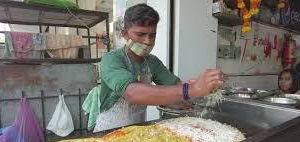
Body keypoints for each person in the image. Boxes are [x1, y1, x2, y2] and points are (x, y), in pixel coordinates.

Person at [93, 4, 226, 132]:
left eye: (152, 35)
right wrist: (192, 89)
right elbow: (132, 93)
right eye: (140, 34)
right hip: (108, 131)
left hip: (137, 130)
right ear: (125, 34)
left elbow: (176, 86)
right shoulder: (111, 59)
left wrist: (204, 84)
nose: (148, 41)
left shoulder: (152, 62)